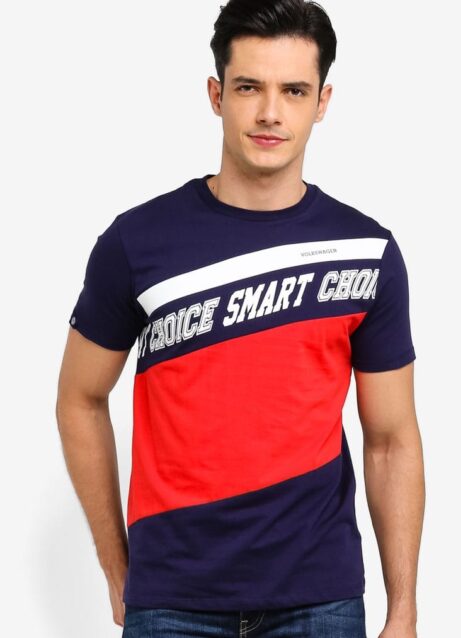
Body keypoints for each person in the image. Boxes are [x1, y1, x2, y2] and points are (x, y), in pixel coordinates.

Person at [56, 1, 425, 636]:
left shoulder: (367, 252)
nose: (270, 112)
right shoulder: (136, 242)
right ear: (216, 94)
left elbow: (391, 440)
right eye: (250, 87)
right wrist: (119, 571)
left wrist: (404, 610)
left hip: (321, 602)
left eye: (294, 91)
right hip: (171, 603)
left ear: (322, 102)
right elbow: (78, 399)